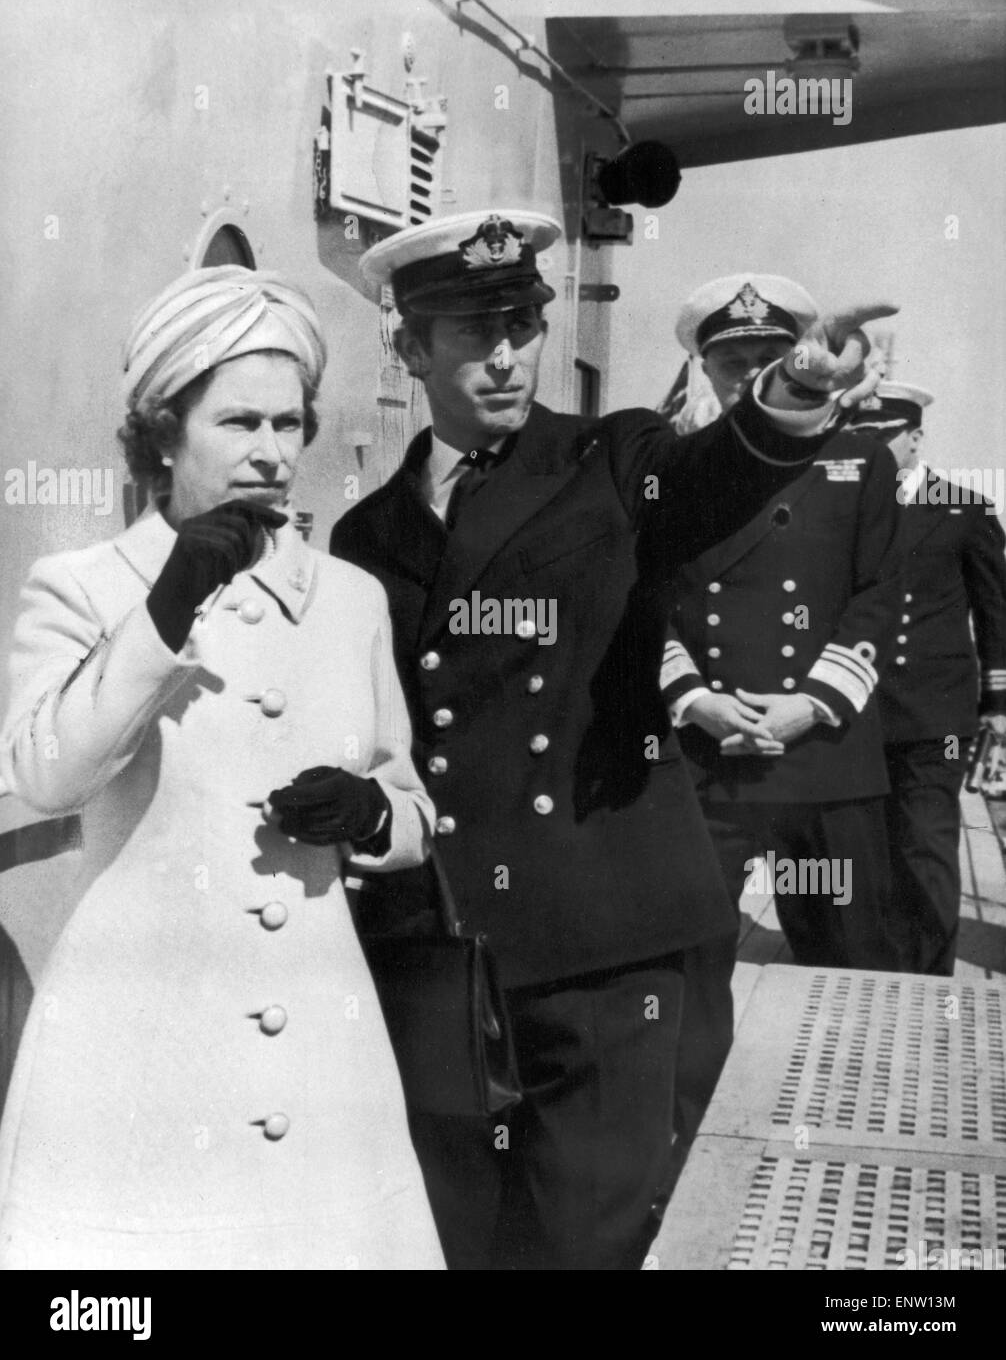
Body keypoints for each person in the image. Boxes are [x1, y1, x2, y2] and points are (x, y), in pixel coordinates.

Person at [329, 209, 894, 1269]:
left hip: (601, 931)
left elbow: (711, 476)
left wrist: (793, 395)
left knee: (584, 1239)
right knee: (458, 1230)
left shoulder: (612, 456)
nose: (505, 356)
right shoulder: (365, 536)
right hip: (440, 942)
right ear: (408, 348)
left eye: (522, 326)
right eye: (470, 332)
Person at [0, 266, 444, 1270]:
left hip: (320, 1032)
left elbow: (415, 808)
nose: (271, 453)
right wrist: (166, 608)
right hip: (141, 1040)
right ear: (163, 432)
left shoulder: (350, 600)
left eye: (289, 425)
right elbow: (45, 775)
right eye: (239, 422)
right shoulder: (82, 587)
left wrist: (372, 812)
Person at [659, 273, 907, 970]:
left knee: (852, 968)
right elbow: (636, 595)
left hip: (824, 761)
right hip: (707, 759)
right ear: (702, 368)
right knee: (686, 970)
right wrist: (695, 700)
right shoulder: (671, 470)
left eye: (767, 357)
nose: (747, 376)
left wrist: (813, 703)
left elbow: (879, 594)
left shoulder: (861, 463)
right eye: (731, 361)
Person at [848, 382, 1006, 974]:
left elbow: (997, 611)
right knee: (863, 849)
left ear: (915, 438)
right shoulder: (841, 506)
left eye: (883, 437)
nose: (871, 449)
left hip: (933, 711)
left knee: (926, 845)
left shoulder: (963, 508)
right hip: (853, 708)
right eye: (860, 437)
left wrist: (999, 703)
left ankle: (927, 981)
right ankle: (870, 971)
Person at [658, 272, 818, 432]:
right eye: (734, 363)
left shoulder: (837, 445)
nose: (754, 374)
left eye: (769, 360)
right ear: (708, 372)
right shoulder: (693, 453)